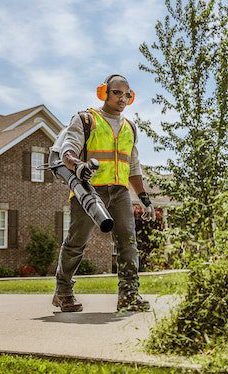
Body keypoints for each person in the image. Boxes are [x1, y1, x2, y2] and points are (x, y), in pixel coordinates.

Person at [51, 74, 155, 313]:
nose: (122, 98)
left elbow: (133, 166)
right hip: (89, 191)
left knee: (128, 243)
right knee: (76, 243)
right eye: (117, 92)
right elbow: (68, 151)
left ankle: (129, 295)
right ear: (104, 93)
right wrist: (78, 165)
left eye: (127, 94)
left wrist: (144, 197)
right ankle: (63, 292)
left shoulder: (129, 128)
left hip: (119, 192)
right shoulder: (86, 120)